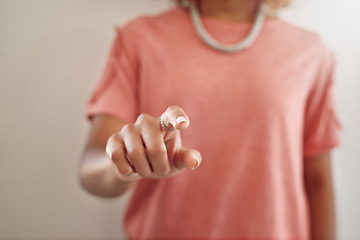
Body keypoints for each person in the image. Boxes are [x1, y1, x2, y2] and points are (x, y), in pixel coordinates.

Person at [79, 0, 342, 239]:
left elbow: (317, 180)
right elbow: (91, 169)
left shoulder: (308, 51)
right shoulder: (139, 38)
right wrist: (128, 160)